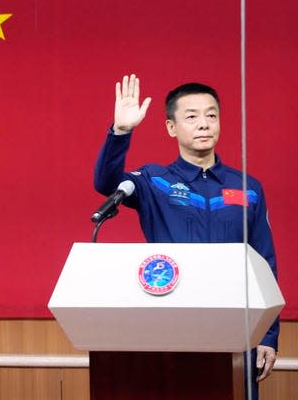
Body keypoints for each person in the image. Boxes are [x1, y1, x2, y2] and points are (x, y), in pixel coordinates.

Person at [94, 74, 279, 398]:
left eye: (211, 115)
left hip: (235, 327)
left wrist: (268, 334)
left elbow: (265, 263)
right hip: (170, 325)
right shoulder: (155, 181)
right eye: (191, 117)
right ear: (171, 127)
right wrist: (121, 131)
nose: (204, 124)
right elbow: (106, 183)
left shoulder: (247, 187)